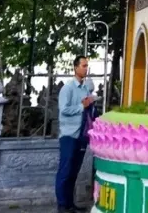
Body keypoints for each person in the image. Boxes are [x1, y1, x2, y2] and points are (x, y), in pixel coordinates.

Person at [55, 55, 95, 213]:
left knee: (74, 171)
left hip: (81, 134)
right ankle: (62, 204)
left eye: (87, 66)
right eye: (83, 66)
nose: (86, 68)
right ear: (75, 68)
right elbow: (63, 110)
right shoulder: (68, 88)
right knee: (65, 171)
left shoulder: (85, 88)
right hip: (68, 135)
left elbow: (87, 107)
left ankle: (70, 204)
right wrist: (81, 106)